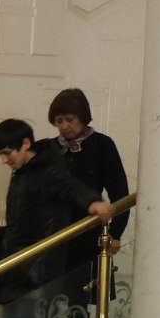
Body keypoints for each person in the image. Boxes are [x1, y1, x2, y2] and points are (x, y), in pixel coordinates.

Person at [0, 118, 113, 294]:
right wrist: (1, 234)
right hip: (21, 269)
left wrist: (93, 202)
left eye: (7, 153)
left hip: (36, 275)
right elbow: (27, 221)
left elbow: (70, 186)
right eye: (1, 154)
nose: (4, 160)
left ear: (26, 143)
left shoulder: (45, 171)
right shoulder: (22, 174)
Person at [42, 88, 129, 248]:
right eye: (59, 121)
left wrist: (116, 233)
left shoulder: (102, 145)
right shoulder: (47, 148)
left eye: (70, 119)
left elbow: (119, 192)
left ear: (82, 117)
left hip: (89, 230)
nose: (64, 126)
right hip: (52, 234)